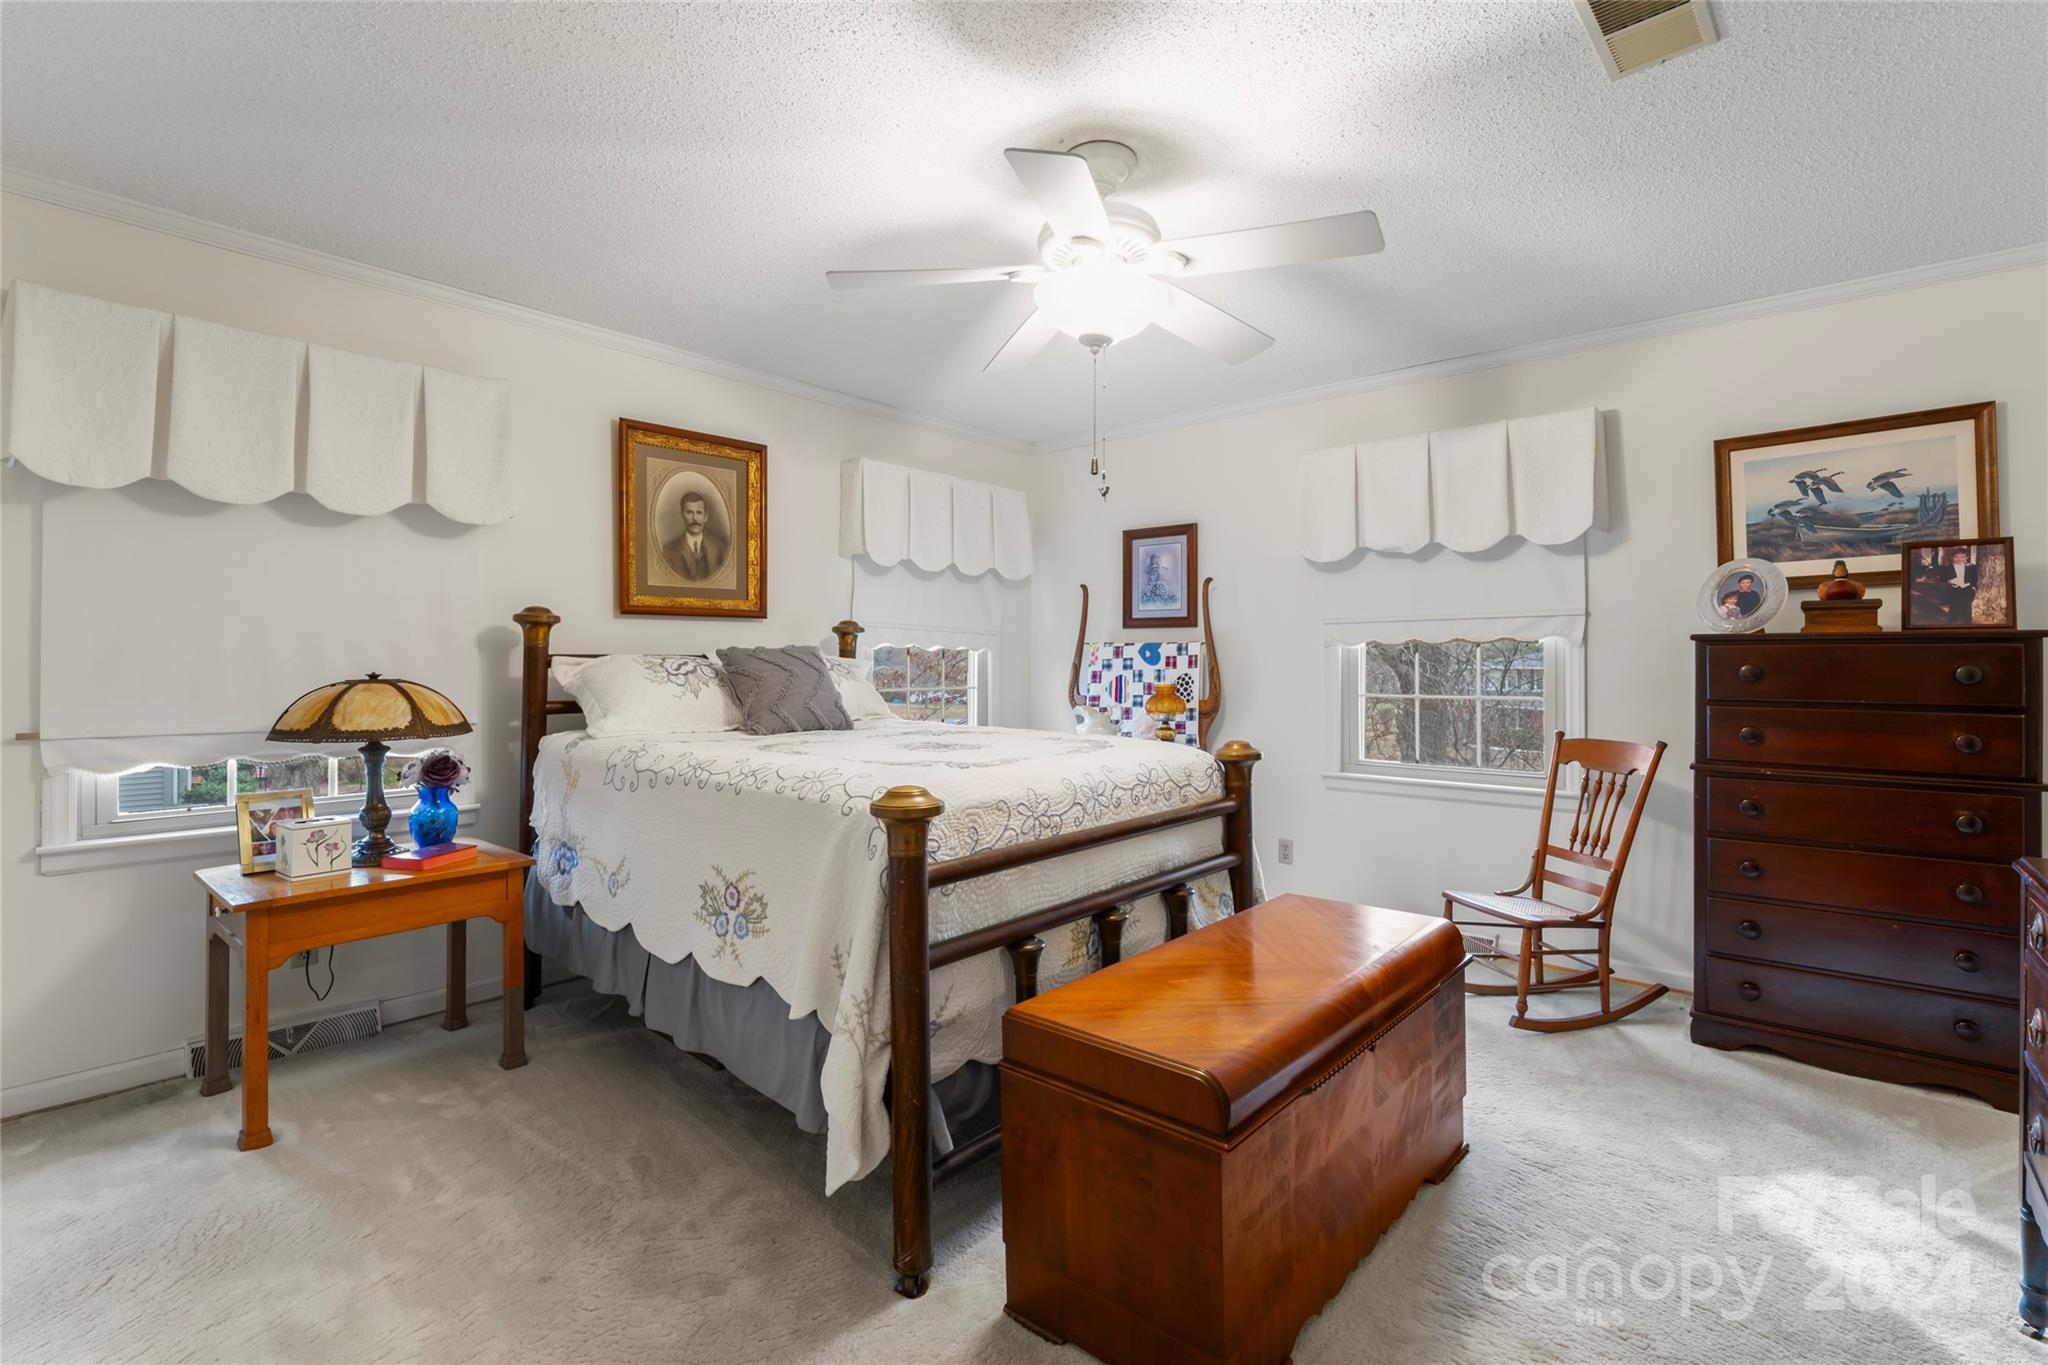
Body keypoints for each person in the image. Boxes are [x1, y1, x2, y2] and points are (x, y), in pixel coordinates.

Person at [663, 488, 728, 582]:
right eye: (689, 512)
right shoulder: (668, 551)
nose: (695, 518)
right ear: (682, 515)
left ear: (705, 517)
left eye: (699, 512)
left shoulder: (721, 548)